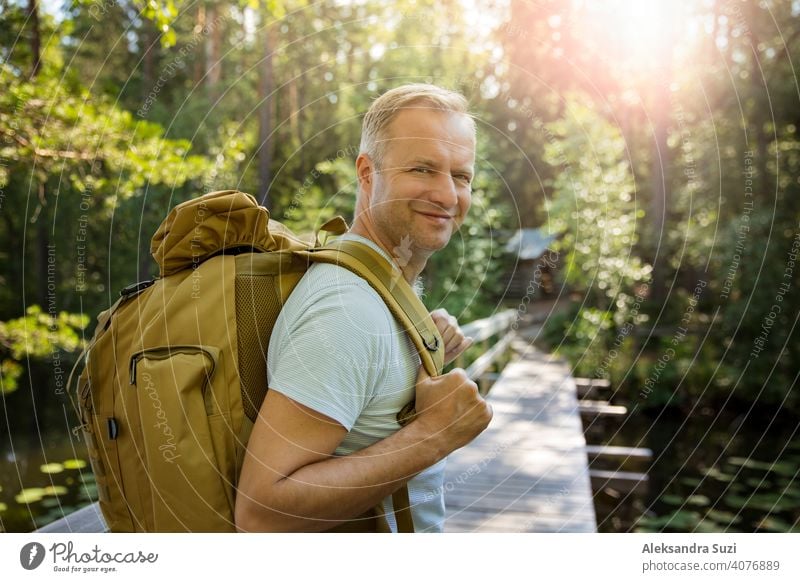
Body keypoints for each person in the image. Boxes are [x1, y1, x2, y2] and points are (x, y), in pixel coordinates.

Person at [235, 84, 492, 533]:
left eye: (461, 176)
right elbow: (261, 513)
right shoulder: (347, 309)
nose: (448, 195)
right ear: (368, 173)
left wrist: (423, 347)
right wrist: (434, 436)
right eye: (422, 168)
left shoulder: (375, 291)